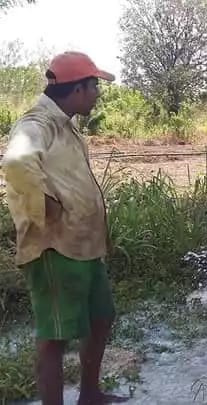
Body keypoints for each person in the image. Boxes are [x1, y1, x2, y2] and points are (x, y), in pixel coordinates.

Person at [1, 52, 127, 404]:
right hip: (54, 248)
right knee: (54, 338)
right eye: (94, 86)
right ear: (77, 89)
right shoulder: (36, 124)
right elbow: (15, 161)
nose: (98, 94)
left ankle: (89, 394)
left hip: (82, 246)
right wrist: (47, 206)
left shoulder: (63, 123)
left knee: (101, 317)